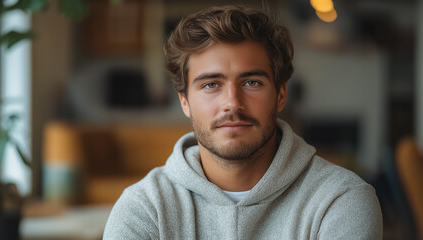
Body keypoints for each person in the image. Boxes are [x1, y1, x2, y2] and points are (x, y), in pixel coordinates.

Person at [104, 5, 383, 239]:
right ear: (184, 101)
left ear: (281, 94)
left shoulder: (341, 200)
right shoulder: (144, 208)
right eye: (211, 84)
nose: (232, 103)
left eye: (251, 82)